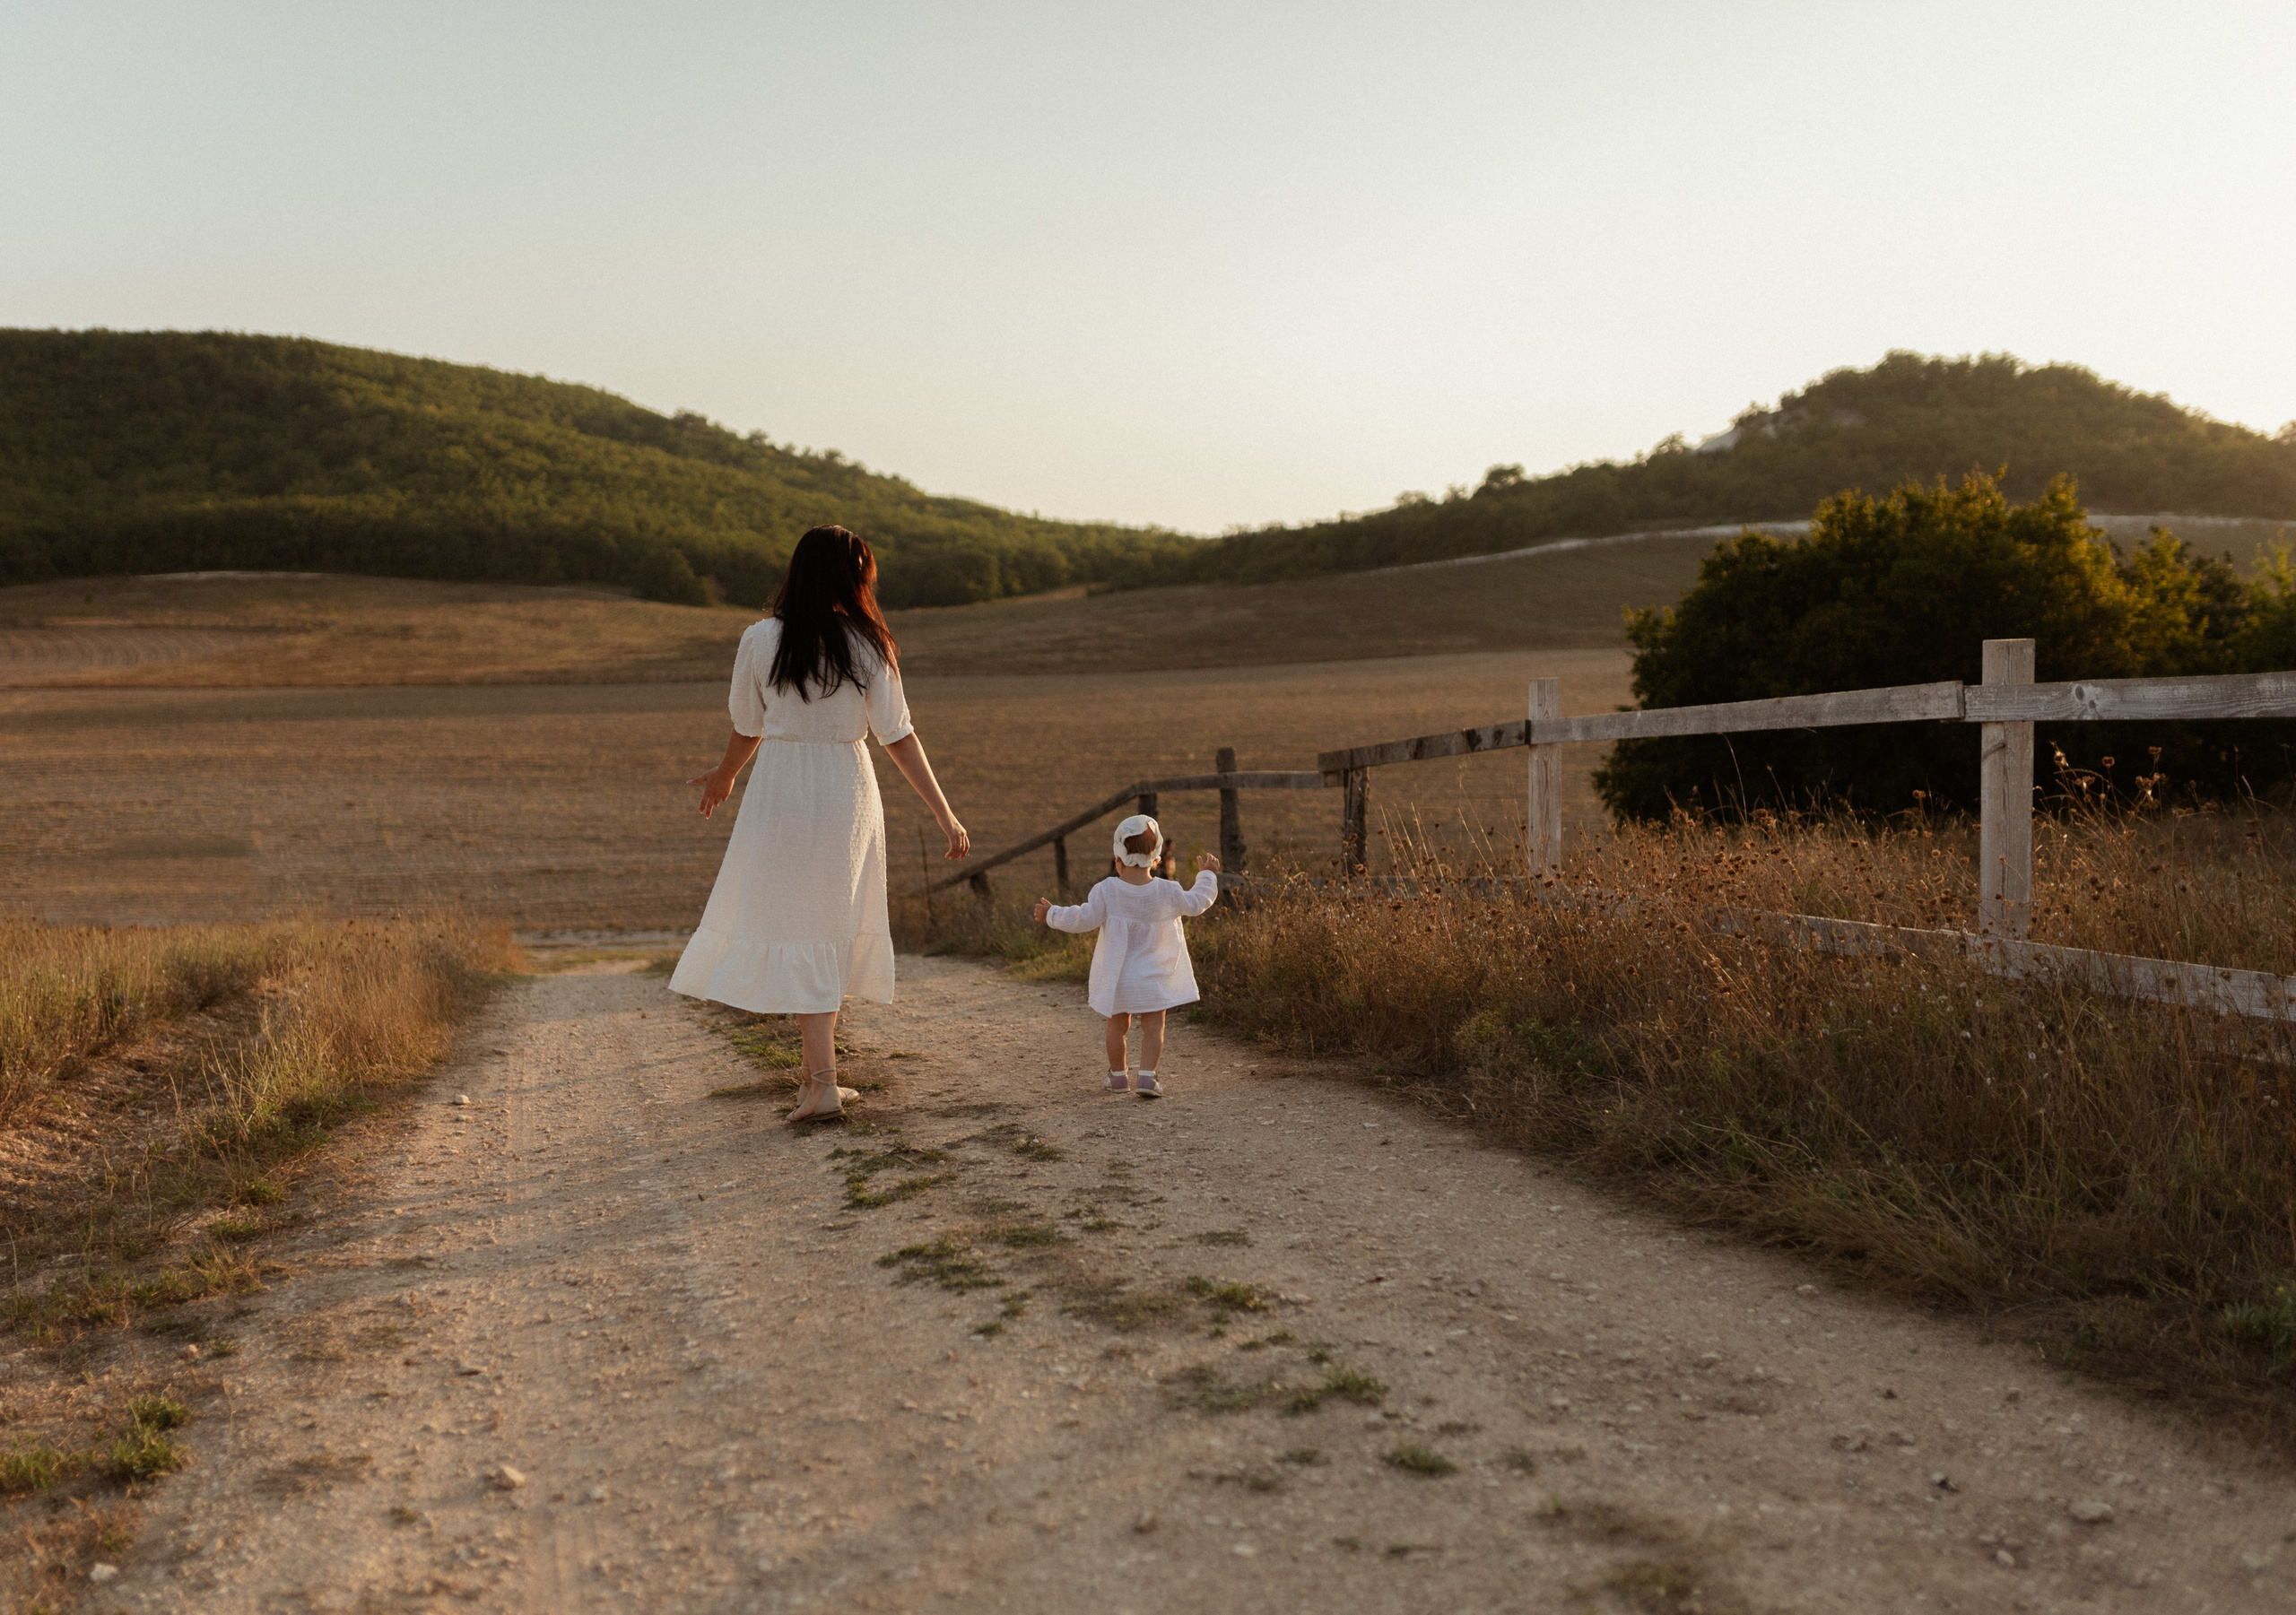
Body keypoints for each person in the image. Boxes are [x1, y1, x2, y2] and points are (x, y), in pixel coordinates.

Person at [670, 525, 969, 1123]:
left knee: (803, 926)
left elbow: (747, 725)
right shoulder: (870, 643)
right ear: (851, 578)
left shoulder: (760, 638)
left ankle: (821, 1081)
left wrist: (727, 775)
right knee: (827, 926)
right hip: (845, 791)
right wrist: (944, 810)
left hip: (780, 789)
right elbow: (898, 735)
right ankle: (819, 1079)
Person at [1031, 815, 1218, 1098]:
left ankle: (1118, 1077)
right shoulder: (1169, 891)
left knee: (1118, 1026)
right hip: (1155, 977)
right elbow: (1197, 902)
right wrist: (1206, 876)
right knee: (1154, 1026)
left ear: (1118, 860)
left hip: (1120, 977)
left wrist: (1052, 914)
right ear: (1156, 860)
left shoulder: (1107, 890)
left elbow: (1083, 918)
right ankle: (1147, 1077)